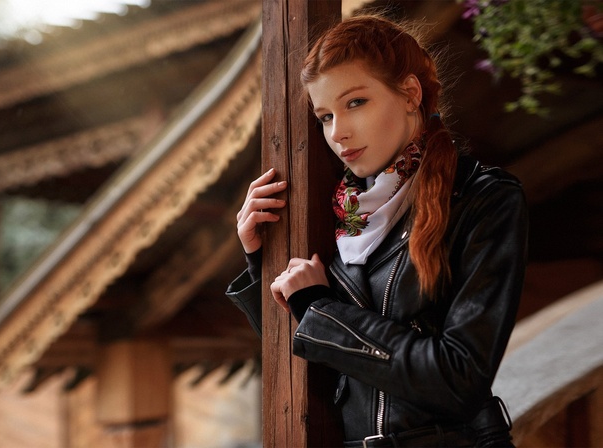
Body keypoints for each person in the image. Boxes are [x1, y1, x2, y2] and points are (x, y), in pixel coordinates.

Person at [226, 14, 527, 448]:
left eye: (355, 103)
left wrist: (320, 307)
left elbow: (459, 379)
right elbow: (319, 368)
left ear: (409, 93)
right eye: (325, 116)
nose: (338, 133)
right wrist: (263, 257)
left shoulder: (482, 199)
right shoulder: (338, 218)